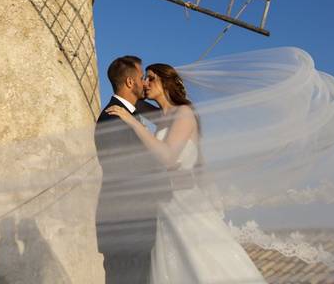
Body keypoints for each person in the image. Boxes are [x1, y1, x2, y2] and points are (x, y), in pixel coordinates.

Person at [105, 63, 267, 284]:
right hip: (164, 208)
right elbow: (131, 99)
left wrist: (133, 123)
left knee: (204, 266)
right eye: (144, 77)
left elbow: (168, 157)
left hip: (185, 205)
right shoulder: (162, 116)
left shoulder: (184, 113)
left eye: (151, 78)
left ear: (166, 82)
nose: (146, 82)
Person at [93, 55, 170, 284]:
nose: (145, 83)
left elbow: (166, 117)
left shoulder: (129, 115)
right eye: (141, 77)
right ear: (129, 82)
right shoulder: (113, 119)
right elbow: (125, 172)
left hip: (135, 225)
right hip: (125, 227)